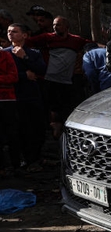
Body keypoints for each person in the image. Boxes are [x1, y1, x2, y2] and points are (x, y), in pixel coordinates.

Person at [28, 16, 90, 138]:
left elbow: (89, 44)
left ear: (67, 27)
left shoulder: (75, 40)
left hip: (67, 80)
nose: (55, 27)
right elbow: (28, 42)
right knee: (52, 106)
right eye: (54, 25)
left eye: (59, 25)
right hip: (50, 78)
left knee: (67, 105)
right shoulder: (47, 38)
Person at [5, 24, 47, 170]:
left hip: (32, 96)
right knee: (19, 130)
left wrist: (25, 57)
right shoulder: (4, 54)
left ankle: (35, 157)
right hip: (13, 97)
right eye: (9, 32)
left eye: (15, 31)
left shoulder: (33, 53)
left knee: (37, 128)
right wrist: (24, 76)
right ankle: (22, 161)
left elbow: (41, 70)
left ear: (24, 35)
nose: (10, 34)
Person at [0, 33, 21, 175]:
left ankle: (15, 164)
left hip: (6, 99)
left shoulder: (5, 56)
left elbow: (14, 77)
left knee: (11, 132)